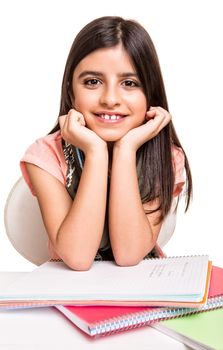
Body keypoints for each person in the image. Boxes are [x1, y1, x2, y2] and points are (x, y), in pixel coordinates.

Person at [20, 16, 192, 271]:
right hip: (69, 293)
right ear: (71, 92)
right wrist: (96, 152)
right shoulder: (45, 155)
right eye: (93, 82)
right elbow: (78, 257)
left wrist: (126, 149)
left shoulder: (166, 158)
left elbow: (129, 254)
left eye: (129, 83)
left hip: (141, 292)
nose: (110, 99)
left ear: (150, 95)